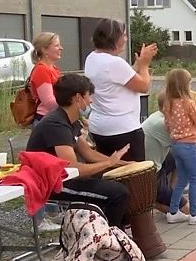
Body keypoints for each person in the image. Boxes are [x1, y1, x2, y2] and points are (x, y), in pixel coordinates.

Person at [25, 73, 131, 227]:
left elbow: (88, 152)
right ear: (78, 98)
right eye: (89, 96)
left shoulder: (69, 119)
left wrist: (123, 164)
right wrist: (109, 162)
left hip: (64, 177)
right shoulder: (56, 125)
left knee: (116, 181)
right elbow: (72, 169)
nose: (91, 101)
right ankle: (106, 240)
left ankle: (110, 232)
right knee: (117, 193)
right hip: (53, 184)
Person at [83, 18, 157, 162]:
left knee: (107, 172)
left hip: (100, 127)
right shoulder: (114, 62)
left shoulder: (92, 57)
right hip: (123, 129)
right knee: (133, 175)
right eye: (123, 35)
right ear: (114, 39)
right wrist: (145, 65)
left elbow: (124, 78)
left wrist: (138, 63)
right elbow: (143, 86)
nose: (126, 39)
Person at [142, 90, 196, 214]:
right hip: (150, 173)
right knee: (183, 211)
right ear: (166, 107)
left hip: (155, 162)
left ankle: (171, 194)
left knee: (178, 159)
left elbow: (185, 127)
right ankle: (150, 201)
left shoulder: (160, 116)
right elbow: (186, 140)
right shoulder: (161, 123)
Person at [161, 68, 196, 224]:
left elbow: (167, 125)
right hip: (189, 145)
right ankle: (194, 214)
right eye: (190, 83)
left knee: (182, 179)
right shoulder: (189, 103)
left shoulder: (168, 103)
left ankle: (173, 212)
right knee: (195, 178)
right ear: (184, 85)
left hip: (175, 145)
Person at [27, 32, 65, 232]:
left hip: (56, 120)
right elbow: (49, 101)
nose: (60, 48)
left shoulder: (53, 69)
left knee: (54, 170)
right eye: (56, 45)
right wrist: (70, 104)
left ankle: (52, 211)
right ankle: (40, 219)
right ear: (44, 50)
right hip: (46, 122)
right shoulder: (41, 71)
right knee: (42, 171)